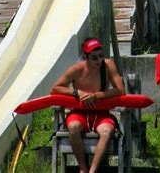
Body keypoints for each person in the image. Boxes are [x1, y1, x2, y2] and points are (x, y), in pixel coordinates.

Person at [50, 38, 125, 173]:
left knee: (106, 131)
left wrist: (95, 95)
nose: (99, 61)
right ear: (86, 57)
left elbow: (120, 89)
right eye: (94, 58)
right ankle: (83, 168)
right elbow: (55, 88)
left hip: (101, 113)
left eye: (101, 56)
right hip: (80, 113)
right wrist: (76, 92)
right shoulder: (76, 69)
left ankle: (93, 171)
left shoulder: (108, 65)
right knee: (73, 127)